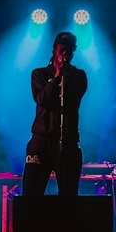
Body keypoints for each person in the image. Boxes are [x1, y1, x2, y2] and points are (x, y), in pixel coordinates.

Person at [22, 31, 87, 197]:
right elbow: (41, 99)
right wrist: (56, 77)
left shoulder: (79, 76)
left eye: (70, 50)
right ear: (54, 50)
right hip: (41, 142)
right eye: (62, 49)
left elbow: (73, 100)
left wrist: (64, 77)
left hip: (67, 143)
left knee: (69, 197)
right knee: (31, 195)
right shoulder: (40, 74)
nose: (65, 54)